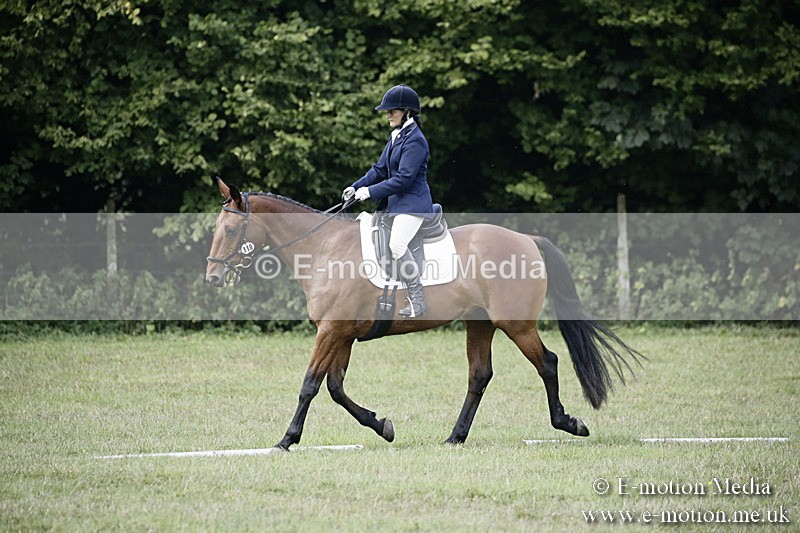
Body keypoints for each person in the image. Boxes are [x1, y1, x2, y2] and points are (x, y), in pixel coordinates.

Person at [342, 84, 434, 318]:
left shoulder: (416, 140)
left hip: (412, 205)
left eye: (392, 110)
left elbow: (403, 180)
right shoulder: (397, 136)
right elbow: (380, 169)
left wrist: (370, 192)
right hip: (397, 205)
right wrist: (356, 186)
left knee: (397, 246)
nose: (388, 114)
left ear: (408, 112)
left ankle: (417, 300)